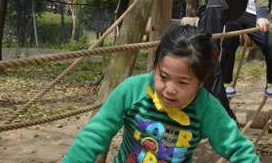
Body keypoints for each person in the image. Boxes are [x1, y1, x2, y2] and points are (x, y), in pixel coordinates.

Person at [62, 25, 259, 163]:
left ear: (200, 82)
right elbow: (94, 135)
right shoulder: (132, 90)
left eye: (183, 82)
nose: (170, 89)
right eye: (163, 76)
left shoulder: (205, 107)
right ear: (155, 66)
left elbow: (238, 148)